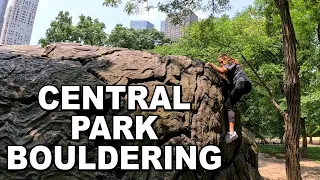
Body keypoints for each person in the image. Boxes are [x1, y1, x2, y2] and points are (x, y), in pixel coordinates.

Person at [207, 54, 252, 144]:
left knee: (228, 105)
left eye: (221, 62)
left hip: (242, 83)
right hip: (244, 85)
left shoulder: (231, 63)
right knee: (231, 102)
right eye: (219, 63)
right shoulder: (233, 68)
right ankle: (232, 128)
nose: (221, 64)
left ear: (225, 59)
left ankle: (231, 133)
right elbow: (227, 79)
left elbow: (222, 70)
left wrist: (211, 65)